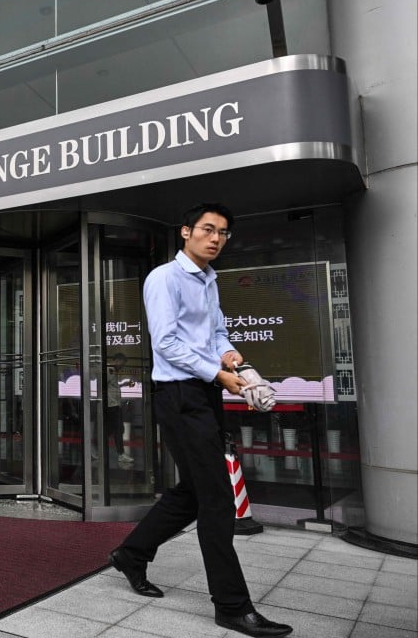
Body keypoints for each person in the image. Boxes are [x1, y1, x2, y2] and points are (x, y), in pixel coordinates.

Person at [107, 204, 292, 637]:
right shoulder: (165, 278)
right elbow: (166, 342)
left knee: (193, 491)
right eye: (208, 229)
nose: (215, 238)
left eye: (223, 233)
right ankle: (232, 606)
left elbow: (216, 334)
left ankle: (131, 554)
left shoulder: (209, 279)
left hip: (204, 390)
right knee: (217, 499)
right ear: (186, 232)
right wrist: (217, 373)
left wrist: (233, 359)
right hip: (179, 394)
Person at [105, 353, 134, 466]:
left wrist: (124, 384)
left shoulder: (112, 370)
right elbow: (103, 386)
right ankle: (121, 454)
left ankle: (114, 452)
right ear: (117, 360)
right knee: (118, 429)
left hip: (113, 405)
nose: (122, 366)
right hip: (112, 405)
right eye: (122, 363)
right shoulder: (110, 369)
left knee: (115, 429)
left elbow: (111, 386)